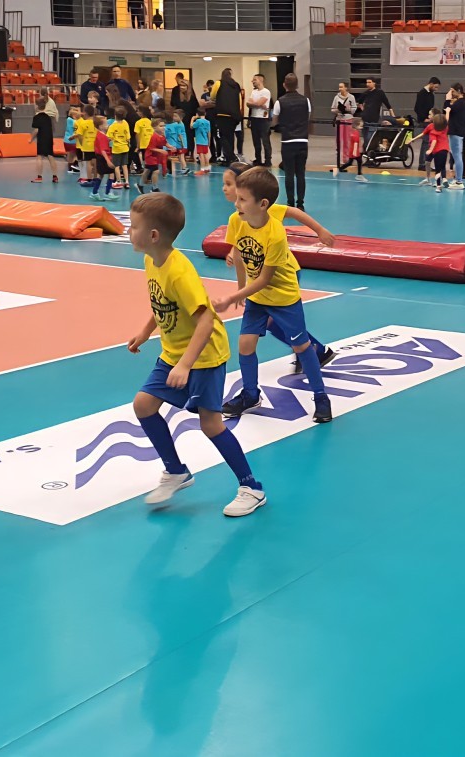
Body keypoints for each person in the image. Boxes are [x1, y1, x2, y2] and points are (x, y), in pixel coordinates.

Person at [125, 192, 268, 517]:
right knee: (143, 405)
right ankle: (176, 470)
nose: (129, 232)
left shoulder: (179, 272)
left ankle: (251, 487)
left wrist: (186, 365)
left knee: (211, 425)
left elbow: (206, 320)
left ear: (153, 235)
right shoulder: (151, 260)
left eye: (133, 226)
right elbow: (161, 302)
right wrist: (146, 332)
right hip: (174, 352)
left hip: (204, 357)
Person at [213, 166, 338, 425]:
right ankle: (250, 394)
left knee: (301, 346)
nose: (236, 203)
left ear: (263, 204)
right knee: (245, 345)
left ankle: (321, 396)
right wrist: (239, 289)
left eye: (242, 199)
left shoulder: (275, 233)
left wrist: (231, 298)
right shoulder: (237, 220)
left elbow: (265, 279)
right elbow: (239, 256)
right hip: (257, 298)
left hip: (283, 297)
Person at [272, 73, 310, 209]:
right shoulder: (306, 101)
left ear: (284, 85)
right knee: (300, 173)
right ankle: (300, 203)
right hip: (302, 140)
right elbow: (307, 117)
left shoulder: (280, 102)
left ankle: (290, 202)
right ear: (297, 85)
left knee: (289, 173)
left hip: (288, 141)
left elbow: (274, 121)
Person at [408, 111, 451, 193]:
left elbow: (434, 141)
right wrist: (448, 112)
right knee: (441, 166)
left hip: (436, 150)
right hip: (445, 150)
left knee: (437, 170)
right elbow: (447, 120)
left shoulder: (433, 130)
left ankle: (439, 186)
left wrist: (430, 150)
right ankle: (442, 180)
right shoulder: (445, 127)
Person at [330, 82, 364, 180]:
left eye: (341, 87)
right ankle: (339, 160)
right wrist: (338, 110)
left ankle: (346, 159)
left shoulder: (351, 97)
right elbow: (332, 109)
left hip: (348, 119)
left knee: (347, 140)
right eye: (339, 87)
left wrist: (348, 109)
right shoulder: (336, 97)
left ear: (346, 88)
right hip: (339, 120)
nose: (340, 88)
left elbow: (354, 109)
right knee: (339, 140)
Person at [357, 77, 391, 166]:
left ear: (374, 83)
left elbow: (387, 104)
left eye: (369, 82)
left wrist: (393, 116)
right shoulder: (366, 93)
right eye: (367, 82)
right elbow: (359, 102)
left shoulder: (379, 92)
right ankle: (368, 159)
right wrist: (363, 110)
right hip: (365, 120)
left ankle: (372, 159)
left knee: (370, 140)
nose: (367, 84)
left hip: (374, 120)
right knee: (366, 141)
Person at [446, 83, 465, 189]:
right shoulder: (462, 103)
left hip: (456, 132)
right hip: (458, 132)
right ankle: (458, 179)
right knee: (456, 155)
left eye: (453, 91)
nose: (451, 93)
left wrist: (447, 100)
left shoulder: (459, 103)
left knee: (457, 156)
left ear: (458, 91)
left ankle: (459, 181)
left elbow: (447, 110)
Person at [30, 91, 58, 182]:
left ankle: (39, 177)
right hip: (49, 138)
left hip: (41, 139)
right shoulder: (48, 117)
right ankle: (55, 177)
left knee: (39, 157)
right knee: (51, 157)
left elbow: (36, 130)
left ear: (36, 106)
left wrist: (31, 139)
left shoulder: (36, 117)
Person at [91, 110, 118, 200]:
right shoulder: (102, 136)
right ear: (100, 126)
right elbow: (103, 150)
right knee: (111, 173)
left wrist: (108, 140)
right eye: (106, 124)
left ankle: (95, 192)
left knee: (101, 174)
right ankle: (107, 192)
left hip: (100, 157)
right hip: (104, 157)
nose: (108, 125)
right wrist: (108, 161)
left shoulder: (101, 135)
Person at [246, 74, 272, 168]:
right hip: (254, 118)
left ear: (260, 80)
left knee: (265, 141)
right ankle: (258, 160)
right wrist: (258, 105)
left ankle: (268, 161)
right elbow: (248, 104)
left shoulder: (266, 92)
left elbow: (258, 103)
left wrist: (256, 104)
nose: (252, 81)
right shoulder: (254, 92)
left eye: (254, 80)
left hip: (263, 119)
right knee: (256, 141)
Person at [102, 106, 128, 196]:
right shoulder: (125, 123)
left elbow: (108, 137)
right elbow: (128, 135)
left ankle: (118, 181)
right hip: (125, 147)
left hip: (116, 147)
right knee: (124, 165)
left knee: (116, 165)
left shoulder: (113, 125)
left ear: (115, 115)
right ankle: (127, 182)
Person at [139, 117, 167, 193]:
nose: (163, 127)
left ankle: (140, 185)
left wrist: (170, 146)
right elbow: (151, 148)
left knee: (147, 171)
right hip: (150, 156)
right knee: (156, 171)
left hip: (155, 156)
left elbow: (164, 143)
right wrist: (161, 150)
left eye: (164, 126)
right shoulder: (154, 136)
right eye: (161, 126)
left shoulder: (162, 135)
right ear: (154, 128)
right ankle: (154, 188)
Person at [72, 104, 98, 184]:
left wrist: (81, 143)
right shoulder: (96, 123)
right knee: (95, 162)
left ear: (85, 113)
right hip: (95, 145)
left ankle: (89, 179)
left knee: (88, 163)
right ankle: (95, 178)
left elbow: (79, 135)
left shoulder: (83, 123)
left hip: (87, 146)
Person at [165, 110, 188, 175]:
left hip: (181, 144)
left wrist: (182, 145)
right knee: (180, 157)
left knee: (181, 157)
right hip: (179, 143)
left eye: (175, 116)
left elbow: (180, 135)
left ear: (181, 117)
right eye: (173, 116)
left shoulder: (179, 125)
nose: (174, 118)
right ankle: (184, 168)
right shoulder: (178, 124)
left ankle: (184, 168)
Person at [63, 105, 81, 175]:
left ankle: (70, 168)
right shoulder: (73, 121)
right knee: (77, 154)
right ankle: (75, 166)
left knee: (70, 154)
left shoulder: (68, 120)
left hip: (67, 140)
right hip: (73, 141)